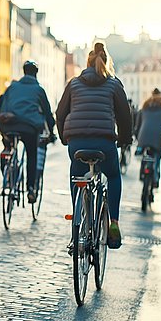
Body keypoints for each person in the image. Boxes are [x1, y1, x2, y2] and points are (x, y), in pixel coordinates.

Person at [56, 42, 132, 249]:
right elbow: (125, 117)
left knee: (77, 175)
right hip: (104, 144)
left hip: (77, 143)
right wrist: (125, 139)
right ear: (106, 62)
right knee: (114, 176)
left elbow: (60, 114)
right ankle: (114, 222)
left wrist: (65, 138)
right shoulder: (114, 84)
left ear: (87, 62)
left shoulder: (73, 84)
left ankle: (77, 222)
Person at [0, 60, 56, 203]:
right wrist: (52, 132)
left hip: (9, 126)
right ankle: (31, 188)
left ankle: (8, 177)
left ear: (23, 72)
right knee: (32, 155)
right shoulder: (39, 90)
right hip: (29, 128)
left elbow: (2, 106)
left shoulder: (12, 87)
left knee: (8, 148)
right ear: (36, 73)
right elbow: (48, 114)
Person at [135, 88, 161, 188]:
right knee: (157, 157)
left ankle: (142, 172)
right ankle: (155, 178)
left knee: (144, 155)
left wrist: (136, 136)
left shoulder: (144, 107)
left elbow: (137, 125)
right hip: (158, 139)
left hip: (143, 138)